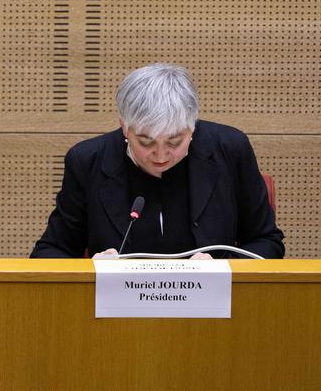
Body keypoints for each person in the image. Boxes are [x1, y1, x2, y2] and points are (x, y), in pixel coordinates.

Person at [31, 64, 284, 259]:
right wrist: (92, 270)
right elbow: (50, 251)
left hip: (212, 316)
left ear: (192, 125)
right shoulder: (88, 161)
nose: (161, 155)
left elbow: (267, 242)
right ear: (124, 126)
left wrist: (223, 270)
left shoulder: (230, 149)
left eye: (174, 142)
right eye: (145, 141)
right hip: (118, 317)